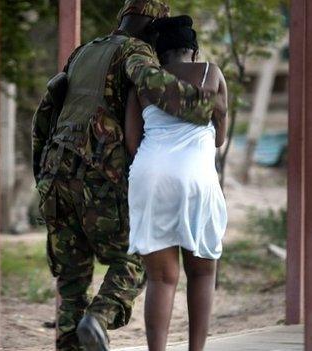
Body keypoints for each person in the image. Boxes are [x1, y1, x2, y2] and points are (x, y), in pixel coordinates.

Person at [31, 1, 225, 350]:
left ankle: (73, 339)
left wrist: (41, 171)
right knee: (139, 255)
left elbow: (47, 107)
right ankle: (100, 317)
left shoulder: (84, 52)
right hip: (96, 175)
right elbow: (151, 80)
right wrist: (205, 106)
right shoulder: (135, 52)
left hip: (54, 175)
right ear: (152, 28)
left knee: (71, 282)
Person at [124, 15, 228, 351]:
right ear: (193, 51)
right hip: (196, 176)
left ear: (158, 54)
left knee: (160, 279)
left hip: (150, 175)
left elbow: (131, 140)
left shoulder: (143, 82)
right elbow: (218, 139)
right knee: (202, 274)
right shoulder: (211, 72)